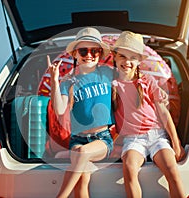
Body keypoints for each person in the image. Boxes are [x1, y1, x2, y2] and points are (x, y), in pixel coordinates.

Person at [111, 31, 186, 198]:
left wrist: (176, 143)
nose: (127, 62)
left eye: (132, 57)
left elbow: (164, 113)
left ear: (139, 61)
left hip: (157, 136)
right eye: (122, 56)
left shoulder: (147, 81)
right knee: (129, 168)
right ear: (114, 57)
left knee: (172, 170)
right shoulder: (111, 85)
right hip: (133, 139)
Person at [48, 27, 115, 198]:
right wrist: (55, 81)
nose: (89, 55)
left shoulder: (107, 74)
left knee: (82, 154)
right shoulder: (68, 82)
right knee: (82, 178)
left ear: (100, 54)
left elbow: (129, 73)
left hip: (102, 139)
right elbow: (60, 109)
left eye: (95, 51)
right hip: (77, 140)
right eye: (83, 50)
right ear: (75, 54)